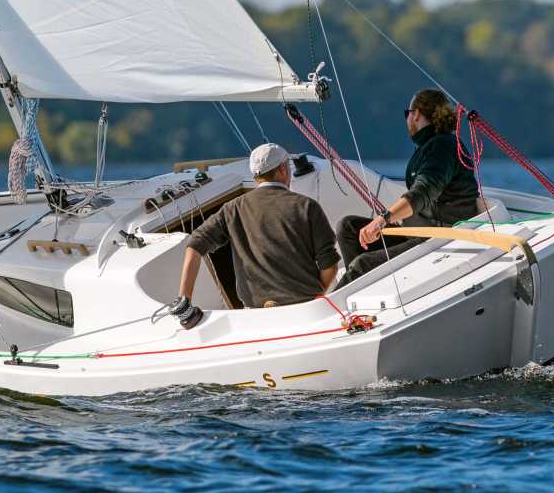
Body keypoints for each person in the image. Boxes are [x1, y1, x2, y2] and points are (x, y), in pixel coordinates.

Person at [175, 143, 340, 324]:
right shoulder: (307, 206)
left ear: (256, 176)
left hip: (255, 315)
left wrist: (184, 300)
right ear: (283, 169)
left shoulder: (232, 209)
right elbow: (329, 265)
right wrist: (316, 298)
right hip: (305, 310)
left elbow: (195, 246)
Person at [334, 89, 481, 290]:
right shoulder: (432, 144)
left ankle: (342, 298)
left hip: (438, 237)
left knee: (363, 264)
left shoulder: (441, 147)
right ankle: (366, 289)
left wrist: (383, 219)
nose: (407, 119)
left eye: (407, 113)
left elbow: (423, 192)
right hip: (417, 231)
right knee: (348, 227)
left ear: (416, 114)